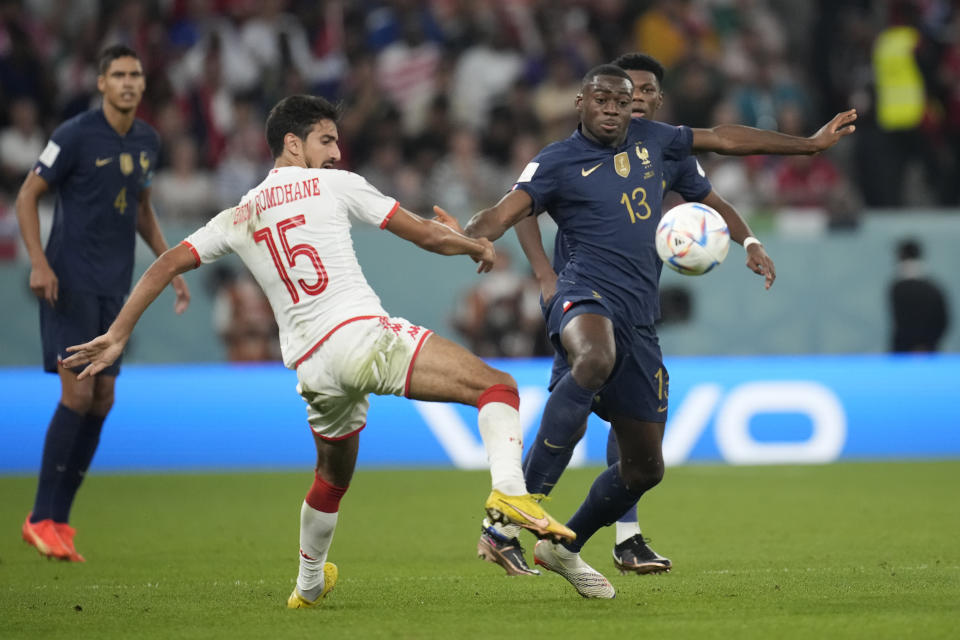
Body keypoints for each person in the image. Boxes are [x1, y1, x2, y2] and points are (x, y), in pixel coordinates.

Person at [61, 94, 574, 608]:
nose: (335, 152)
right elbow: (424, 235)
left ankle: (307, 585)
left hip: (313, 368)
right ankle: (509, 488)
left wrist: (120, 332)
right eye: (326, 140)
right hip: (361, 335)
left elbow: (167, 262)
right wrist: (472, 243)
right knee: (498, 388)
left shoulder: (240, 213)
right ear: (292, 142)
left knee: (331, 478)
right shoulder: (338, 185)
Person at [456, 64, 856, 598]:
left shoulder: (656, 142)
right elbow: (504, 213)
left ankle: (564, 545)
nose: (613, 108)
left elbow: (723, 140)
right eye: (601, 99)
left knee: (644, 468)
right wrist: (467, 237)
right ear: (580, 102)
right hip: (583, 295)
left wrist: (806, 147)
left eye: (622, 101)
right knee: (592, 360)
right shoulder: (554, 161)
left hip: (639, 316)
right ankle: (510, 514)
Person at [16, 45, 191, 563]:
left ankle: (61, 522)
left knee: (103, 401)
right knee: (76, 398)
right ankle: (39, 517)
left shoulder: (147, 140)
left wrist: (172, 267)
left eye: (136, 74)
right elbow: (28, 195)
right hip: (68, 281)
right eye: (118, 74)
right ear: (100, 83)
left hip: (116, 289)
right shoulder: (73, 135)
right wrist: (38, 263)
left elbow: (142, 211)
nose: (129, 82)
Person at [889, 238, 949, 352]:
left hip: (903, 352)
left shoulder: (897, 288)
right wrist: (927, 343)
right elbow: (943, 321)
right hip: (928, 350)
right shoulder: (933, 288)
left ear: (900, 256)